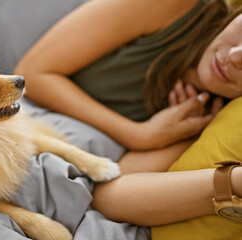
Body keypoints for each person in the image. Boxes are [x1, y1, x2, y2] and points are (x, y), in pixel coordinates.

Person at [14, 0, 242, 226]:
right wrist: (140, 135)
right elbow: (32, 72)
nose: (235, 56)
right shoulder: (177, 6)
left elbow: (108, 192)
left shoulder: (208, 115)